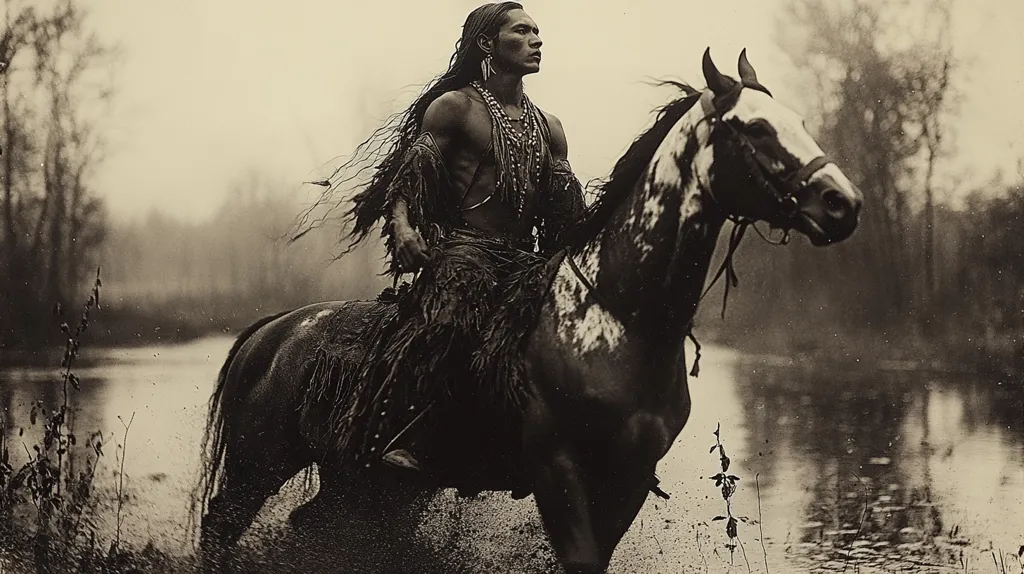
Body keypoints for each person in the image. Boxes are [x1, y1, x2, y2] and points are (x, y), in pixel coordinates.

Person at [303, 2, 587, 477]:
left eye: (538, 31)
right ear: (487, 44)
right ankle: (402, 434)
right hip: (466, 252)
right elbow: (409, 177)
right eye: (523, 31)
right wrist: (404, 227)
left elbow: (565, 213)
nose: (537, 39)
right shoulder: (455, 108)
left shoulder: (550, 128)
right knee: (448, 320)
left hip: (523, 262)